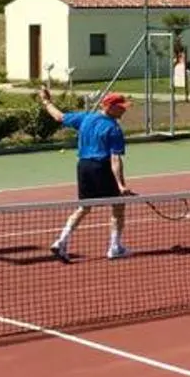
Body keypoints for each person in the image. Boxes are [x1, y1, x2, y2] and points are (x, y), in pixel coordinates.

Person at [37, 88, 133, 262]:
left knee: (84, 207)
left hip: (83, 167)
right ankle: (115, 247)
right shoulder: (114, 129)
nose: (124, 110)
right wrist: (121, 185)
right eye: (121, 107)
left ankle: (61, 242)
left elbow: (58, 116)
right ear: (109, 107)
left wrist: (46, 101)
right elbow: (115, 159)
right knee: (118, 206)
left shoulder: (85, 118)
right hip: (101, 167)